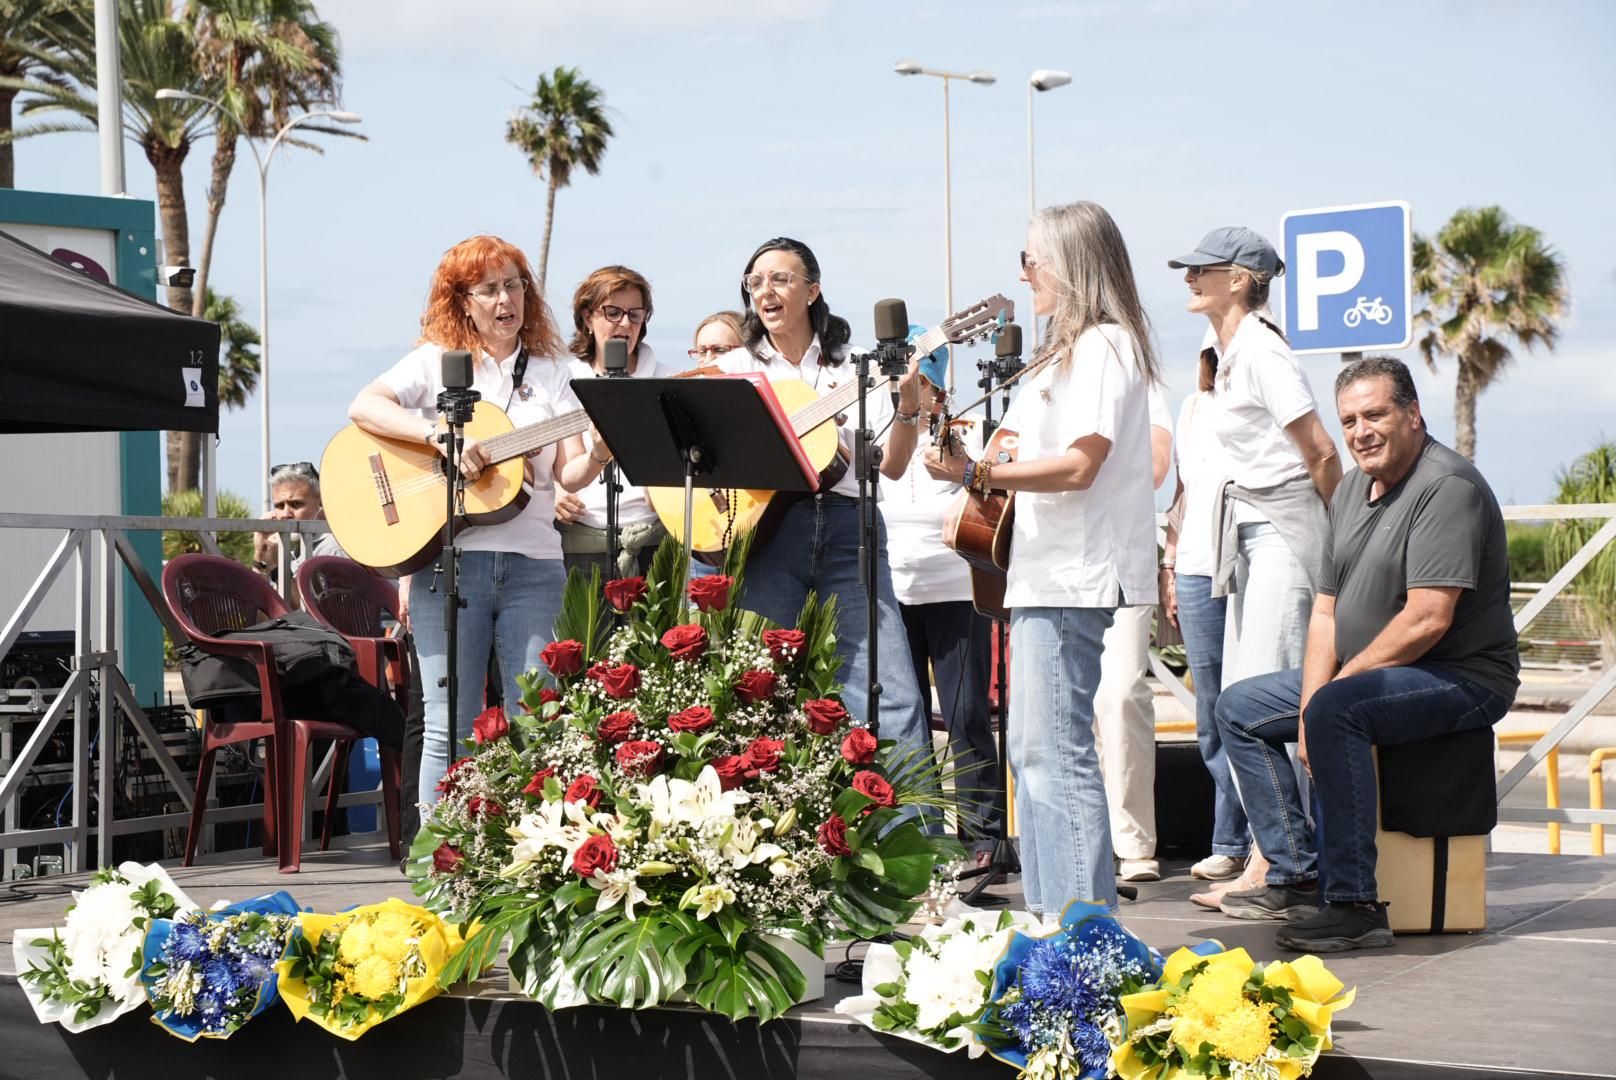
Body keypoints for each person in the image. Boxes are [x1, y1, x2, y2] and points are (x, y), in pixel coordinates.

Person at [1214, 357, 1518, 951]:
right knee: (1239, 708)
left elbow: (1428, 619)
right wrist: (1312, 699)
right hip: (1373, 675)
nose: (1361, 432)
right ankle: (1295, 872)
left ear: (1413, 414)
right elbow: (1325, 612)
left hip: (1460, 677)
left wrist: (1327, 698)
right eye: (1349, 420)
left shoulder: (1446, 487)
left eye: (1375, 415)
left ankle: (1355, 905)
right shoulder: (1351, 488)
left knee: (1337, 709)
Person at [926, 201, 1160, 916]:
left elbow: (1080, 464)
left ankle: (1078, 929)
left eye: (1032, 260)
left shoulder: (1104, 345)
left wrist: (974, 474)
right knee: (1035, 753)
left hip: (1072, 574)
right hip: (1046, 572)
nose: (1024, 274)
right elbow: (1016, 454)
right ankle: (1063, 918)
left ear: (1071, 264)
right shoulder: (1066, 354)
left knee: (1052, 752)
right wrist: (955, 444)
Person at [346, 235, 613, 800]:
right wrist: (436, 435)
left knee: (535, 721)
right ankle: (444, 853)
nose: (505, 299)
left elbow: (569, 475)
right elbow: (364, 406)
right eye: (489, 289)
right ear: (463, 301)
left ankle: (526, 848)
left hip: (535, 565)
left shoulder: (555, 373)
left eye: (514, 285)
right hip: (450, 564)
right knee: (448, 728)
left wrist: (599, 452)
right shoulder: (437, 361)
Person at [713, 237, 936, 787]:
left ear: (813, 291)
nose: (766, 291)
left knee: (888, 692)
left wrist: (908, 405)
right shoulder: (731, 369)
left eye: (781, 279)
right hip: (767, 534)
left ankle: (911, 833)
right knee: (759, 687)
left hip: (848, 528)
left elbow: (894, 466)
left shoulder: (859, 366)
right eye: (756, 281)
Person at [1168, 227, 1341, 686]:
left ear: (1239, 279)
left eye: (1200, 268)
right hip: (1251, 533)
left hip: (1283, 532)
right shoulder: (1232, 354)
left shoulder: (1263, 352)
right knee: (1242, 696)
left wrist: (1348, 531)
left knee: (1263, 693)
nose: (1188, 277)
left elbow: (1322, 451)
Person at [881, 373, 998, 859]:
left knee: (966, 714)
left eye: (921, 382)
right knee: (904, 719)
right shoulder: (880, 432)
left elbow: (991, 495)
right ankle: (921, 836)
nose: (906, 389)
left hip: (956, 591)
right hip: (892, 595)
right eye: (897, 381)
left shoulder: (968, 434)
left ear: (939, 391)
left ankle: (982, 836)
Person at [1161, 373, 1259, 905]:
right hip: (1197, 567)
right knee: (1212, 711)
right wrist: (1171, 563)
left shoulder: (1264, 391)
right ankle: (1230, 840)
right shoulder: (1192, 406)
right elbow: (1184, 490)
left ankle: (1267, 839)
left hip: (1253, 559)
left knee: (1254, 703)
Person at [1092, 386, 1173, 883]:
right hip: (1054, 569)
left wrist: (1082, 460)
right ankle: (1087, 842)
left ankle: (1134, 842)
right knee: (1074, 708)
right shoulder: (1044, 385)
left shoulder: (1145, 390)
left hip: (1124, 562)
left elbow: (1158, 467)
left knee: (1120, 695)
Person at [554, 265, 673, 578]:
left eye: (635, 314)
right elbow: (565, 472)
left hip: (656, 544)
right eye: (613, 312)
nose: (625, 323)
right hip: (582, 545)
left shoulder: (668, 379)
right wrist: (595, 457)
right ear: (587, 318)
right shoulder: (563, 379)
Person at [251, 461, 345, 588]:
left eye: (296, 504)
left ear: (320, 503)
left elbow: (302, 601)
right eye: (280, 506)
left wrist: (277, 567)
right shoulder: (295, 551)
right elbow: (257, 596)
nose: (285, 514)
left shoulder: (332, 549)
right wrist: (260, 552)